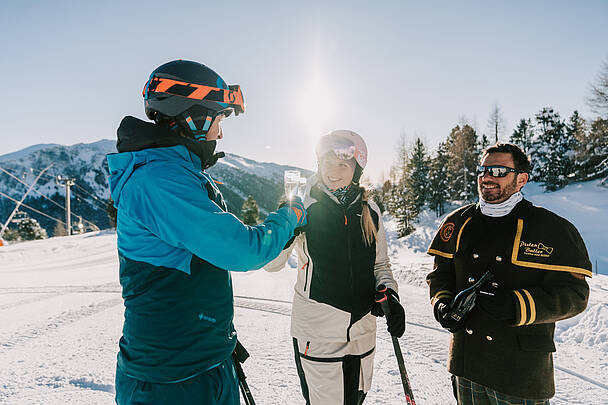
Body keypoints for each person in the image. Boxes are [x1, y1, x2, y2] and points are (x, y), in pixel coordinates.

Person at [107, 60, 306, 405]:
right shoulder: (159, 181)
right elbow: (243, 249)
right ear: (194, 118)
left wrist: (215, 338)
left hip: (200, 363)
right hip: (171, 379)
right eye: (218, 120)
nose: (220, 133)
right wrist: (290, 215)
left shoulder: (176, 173)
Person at [426, 143, 591, 404]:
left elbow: (575, 295)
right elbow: (440, 276)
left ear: (521, 179)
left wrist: (517, 305)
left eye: (499, 170)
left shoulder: (551, 228)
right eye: (483, 170)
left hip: (521, 373)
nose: (487, 177)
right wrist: (442, 304)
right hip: (466, 365)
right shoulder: (458, 222)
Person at [265, 130, 405, 405]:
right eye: (328, 163)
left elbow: (381, 264)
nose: (334, 171)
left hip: (363, 334)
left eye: (343, 165)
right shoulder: (303, 206)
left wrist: (390, 294)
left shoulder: (370, 210)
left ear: (357, 169)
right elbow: (271, 264)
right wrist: (286, 230)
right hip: (319, 335)